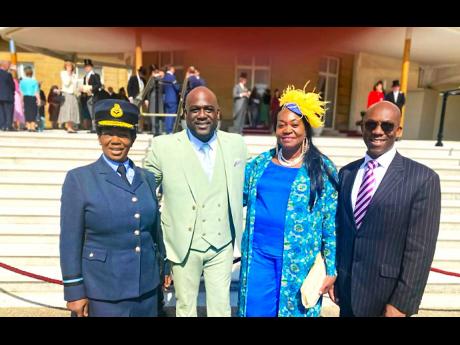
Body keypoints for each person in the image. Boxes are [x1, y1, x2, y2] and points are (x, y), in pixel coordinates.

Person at [59, 99, 170, 317]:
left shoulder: (146, 178)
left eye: (124, 133)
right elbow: (70, 241)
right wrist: (74, 291)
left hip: (146, 291)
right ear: (99, 136)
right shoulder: (79, 179)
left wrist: (163, 266)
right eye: (108, 132)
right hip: (102, 292)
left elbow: (154, 231)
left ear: (134, 137)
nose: (116, 140)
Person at [144, 86, 247, 317]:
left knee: (221, 309)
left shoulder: (236, 144)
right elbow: (144, 189)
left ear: (218, 113)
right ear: (184, 113)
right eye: (195, 110)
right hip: (183, 242)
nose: (202, 115)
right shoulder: (164, 147)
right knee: (185, 308)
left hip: (222, 242)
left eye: (208, 109)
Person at [333, 101, 441, 317]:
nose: (377, 131)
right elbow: (342, 232)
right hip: (347, 295)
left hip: (387, 301)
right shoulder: (346, 174)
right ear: (362, 127)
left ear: (398, 130)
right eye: (370, 125)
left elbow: (420, 250)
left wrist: (401, 303)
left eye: (387, 126)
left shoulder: (422, 179)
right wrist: (338, 278)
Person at [238, 84, 338, 317]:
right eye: (281, 125)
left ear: (306, 129)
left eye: (295, 124)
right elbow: (235, 198)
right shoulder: (259, 164)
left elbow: (331, 223)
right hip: (258, 258)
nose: (287, 130)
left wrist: (331, 267)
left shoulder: (322, 169)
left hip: (299, 262)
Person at [79, 59, 102, 132]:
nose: (86, 68)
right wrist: (82, 90)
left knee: (94, 111)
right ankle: (93, 127)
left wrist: (91, 88)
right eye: (85, 67)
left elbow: (98, 85)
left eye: (88, 66)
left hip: (94, 96)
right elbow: (85, 85)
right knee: (90, 112)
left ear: (91, 67)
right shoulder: (85, 77)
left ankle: (95, 127)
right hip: (87, 96)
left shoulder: (95, 75)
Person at [58, 61, 80, 133]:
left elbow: (76, 84)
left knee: (73, 111)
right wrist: (70, 75)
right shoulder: (63, 73)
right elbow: (66, 83)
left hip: (73, 94)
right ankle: (68, 127)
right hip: (67, 93)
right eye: (67, 66)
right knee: (67, 110)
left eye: (70, 66)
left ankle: (71, 126)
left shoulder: (75, 75)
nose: (69, 67)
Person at [144, 64, 165, 136]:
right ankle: (159, 130)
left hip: (154, 98)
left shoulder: (154, 79)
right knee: (158, 115)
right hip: (159, 98)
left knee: (154, 114)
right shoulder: (161, 78)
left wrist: (153, 77)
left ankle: (155, 130)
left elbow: (148, 88)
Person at [19, 66, 40, 132]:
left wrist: (21, 101)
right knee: (33, 112)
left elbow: (21, 92)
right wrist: (38, 100)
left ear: (25, 73)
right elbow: (36, 92)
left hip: (25, 98)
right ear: (32, 73)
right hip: (32, 98)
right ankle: (33, 127)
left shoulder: (22, 82)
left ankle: (28, 127)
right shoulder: (34, 81)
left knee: (27, 111)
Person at [162, 65, 180, 134]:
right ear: (171, 69)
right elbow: (177, 87)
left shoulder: (164, 77)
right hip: (172, 99)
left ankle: (167, 129)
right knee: (171, 114)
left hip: (166, 98)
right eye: (174, 69)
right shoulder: (172, 77)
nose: (174, 70)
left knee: (167, 114)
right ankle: (170, 130)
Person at [0, 60, 14, 131]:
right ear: (4, 65)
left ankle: (2, 126)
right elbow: (12, 86)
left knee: (1, 111)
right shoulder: (8, 74)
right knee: (8, 111)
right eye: (8, 65)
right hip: (7, 96)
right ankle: (8, 126)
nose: (9, 67)